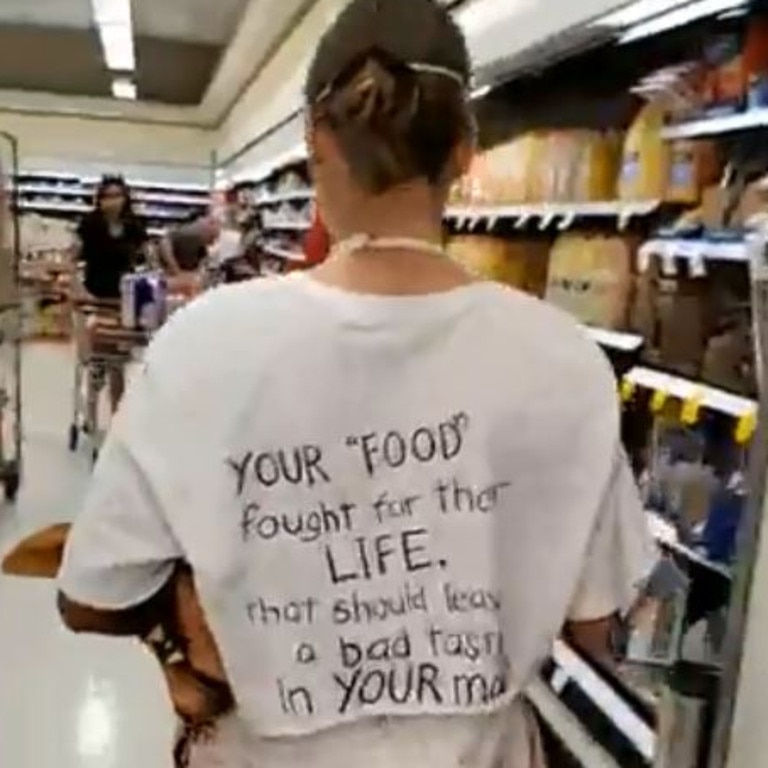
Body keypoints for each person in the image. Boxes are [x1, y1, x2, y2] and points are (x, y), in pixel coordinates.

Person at [56, 1, 655, 766]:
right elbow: (596, 623)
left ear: (313, 140)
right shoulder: (565, 360)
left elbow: (92, 597)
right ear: (466, 151)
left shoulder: (205, 343)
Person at [72, 175, 148, 412]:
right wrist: (77, 288)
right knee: (97, 359)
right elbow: (72, 258)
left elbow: (144, 257)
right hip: (93, 298)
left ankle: (117, 416)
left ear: (125, 198)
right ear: (99, 200)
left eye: (117, 196)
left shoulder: (134, 226)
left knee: (118, 361)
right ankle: (92, 409)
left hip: (123, 299)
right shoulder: (89, 224)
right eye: (107, 197)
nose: (112, 202)